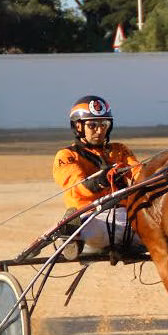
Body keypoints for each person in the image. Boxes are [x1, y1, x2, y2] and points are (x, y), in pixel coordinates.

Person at [52, 95, 141, 254]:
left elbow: (139, 173)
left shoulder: (119, 150)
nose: (100, 130)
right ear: (78, 127)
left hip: (129, 219)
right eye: (92, 125)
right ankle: (71, 233)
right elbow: (76, 185)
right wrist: (100, 180)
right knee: (89, 228)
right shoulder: (66, 155)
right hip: (94, 217)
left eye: (104, 124)